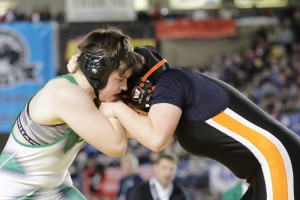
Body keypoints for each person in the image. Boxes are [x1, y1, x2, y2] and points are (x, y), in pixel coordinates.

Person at [98, 45, 300, 200]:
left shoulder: (171, 82)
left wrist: (116, 107)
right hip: (265, 165)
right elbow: (136, 131)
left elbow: (155, 140)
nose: (124, 96)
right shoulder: (173, 91)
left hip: (275, 159)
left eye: (125, 90)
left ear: (141, 87)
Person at [0, 27, 144, 199]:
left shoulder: (89, 97)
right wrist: (116, 106)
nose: (125, 87)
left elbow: (140, 130)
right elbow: (116, 146)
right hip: (15, 193)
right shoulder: (66, 94)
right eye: (120, 80)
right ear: (97, 72)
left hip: (53, 187)